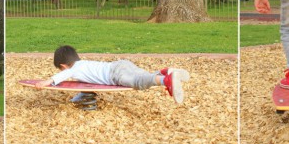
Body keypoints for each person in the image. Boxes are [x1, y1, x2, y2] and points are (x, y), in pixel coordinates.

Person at [35, 45, 190, 103]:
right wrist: (77, 97)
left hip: (115, 75)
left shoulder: (73, 69)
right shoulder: (84, 65)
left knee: (139, 82)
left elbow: (62, 76)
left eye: (61, 69)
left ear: (63, 66)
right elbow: (86, 86)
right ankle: (166, 71)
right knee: (141, 75)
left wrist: (46, 82)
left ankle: (166, 80)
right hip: (120, 64)